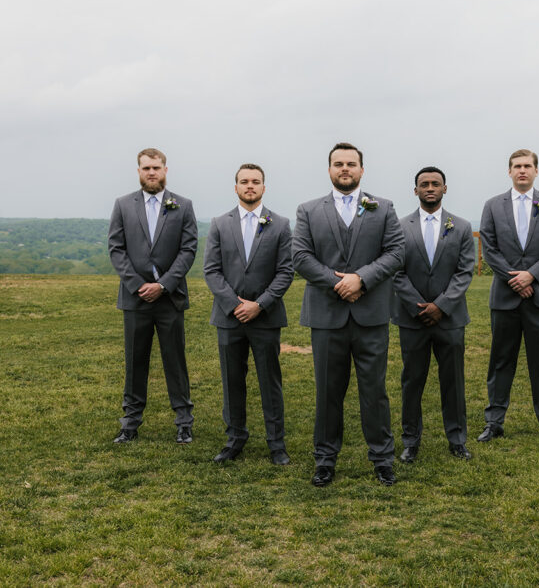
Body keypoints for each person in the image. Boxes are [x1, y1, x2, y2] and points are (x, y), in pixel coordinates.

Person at [292, 142, 405, 487]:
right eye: (339, 164)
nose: (345, 169)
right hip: (327, 316)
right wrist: (337, 283)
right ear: (329, 169)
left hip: (370, 315)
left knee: (375, 391)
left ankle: (382, 459)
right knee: (328, 391)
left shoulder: (383, 208)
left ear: (362, 169)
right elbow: (300, 255)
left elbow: (397, 252)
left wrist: (362, 279)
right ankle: (325, 460)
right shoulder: (309, 210)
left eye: (351, 164)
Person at [203, 163, 294, 466]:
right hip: (229, 318)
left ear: (264, 187)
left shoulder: (279, 224)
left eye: (256, 181)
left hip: (266, 317)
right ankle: (235, 439)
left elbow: (285, 271)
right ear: (236, 187)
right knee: (232, 380)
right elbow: (212, 270)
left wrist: (260, 304)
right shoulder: (219, 223)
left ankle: (276, 443)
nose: (250, 186)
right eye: (244, 181)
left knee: (270, 381)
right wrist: (234, 304)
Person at [477, 149, 539, 446]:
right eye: (517, 166)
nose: (522, 171)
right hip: (505, 297)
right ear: (509, 171)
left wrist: (532, 275)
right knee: (501, 360)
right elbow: (489, 248)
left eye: (527, 166)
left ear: (536, 171)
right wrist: (514, 279)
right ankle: (494, 422)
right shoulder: (492, 205)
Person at [108, 148, 198, 444]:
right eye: (146, 168)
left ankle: (184, 422)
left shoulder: (182, 205)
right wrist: (137, 285)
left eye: (156, 167)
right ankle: (130, 423)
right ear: (138, 171)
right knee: (135, 361)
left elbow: (188, 250)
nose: (151, 172)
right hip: (135, 299)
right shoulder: (123, 205)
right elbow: (116, 249)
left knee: (175, 360)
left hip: (169, 298)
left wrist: (164, 284)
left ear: (165, 170)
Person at [391, 166, 476, 463]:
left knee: (453, 381)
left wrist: (441, 305)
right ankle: (410, 442)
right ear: (415, 190)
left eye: (435, 183)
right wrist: (419, 306)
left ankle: (457, 439)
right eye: (424, 184)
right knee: (412, 381)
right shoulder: (399, 227)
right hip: (411, 319)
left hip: (450, 319)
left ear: (445, 188)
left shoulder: (462, 227)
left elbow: (465, 272)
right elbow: (396, 272)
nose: (430, 188)